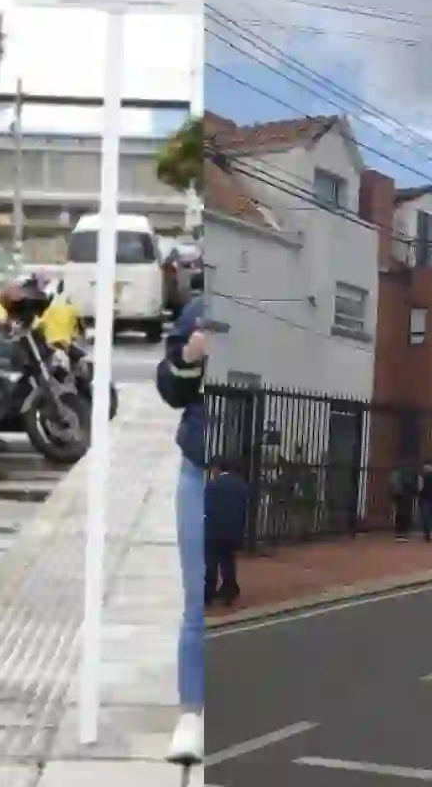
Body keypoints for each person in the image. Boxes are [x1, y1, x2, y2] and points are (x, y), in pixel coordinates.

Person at [156, 297, 209, 765]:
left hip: (243, 469)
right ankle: (192, 713)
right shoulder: (199, 310)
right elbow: (171, 389)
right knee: (197, 599)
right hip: (200, 470)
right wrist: (189, 358)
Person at [204, 456, 247, 606]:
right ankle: (228, 593)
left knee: (211, 562)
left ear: (217, 468)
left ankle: (208, 594)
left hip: (214, 529)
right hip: (233, 530)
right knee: (228, 562)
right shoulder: (241, 485)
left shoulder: (212, 485)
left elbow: (206, 507)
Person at [416, 461, 432, 543]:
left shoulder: (422, 475)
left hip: (424, 497)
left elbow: (420, 487)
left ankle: (427, 534)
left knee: (425, 517)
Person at [388, 464, 415, 542]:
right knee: (405, 514)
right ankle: (404, 533)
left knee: (399, 514)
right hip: (405, 497)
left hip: (398, 497)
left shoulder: (395, 475)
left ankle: (399, 533)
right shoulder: (407, 477)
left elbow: (391, 487)